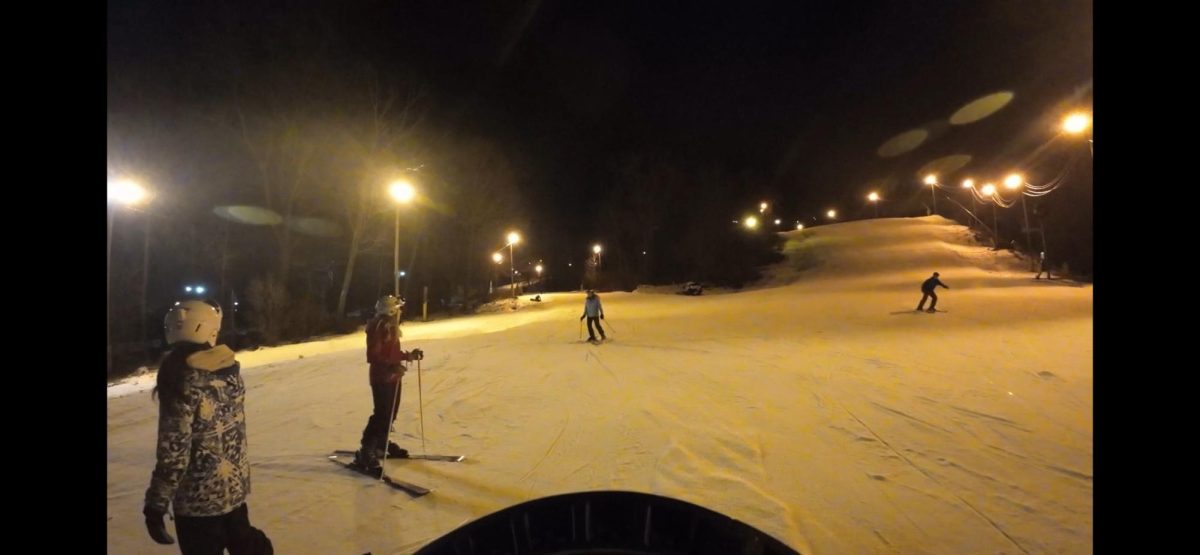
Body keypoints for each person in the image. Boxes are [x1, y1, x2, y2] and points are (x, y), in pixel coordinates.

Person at [144, 299, 273, 554]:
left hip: (198, 505)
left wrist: (156, 504)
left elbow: (174, 454)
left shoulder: (180, 380)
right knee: (246, 543)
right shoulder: (228, 369)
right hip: (233, 494)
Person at [353, 294, 424, 472]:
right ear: (390, 310)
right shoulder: (379, 327)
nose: (399, 313)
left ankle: (381, 443)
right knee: (381, 414)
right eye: (397, 309)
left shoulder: (389, 326)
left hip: (392, 376)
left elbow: (391, 352)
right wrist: (392, 367)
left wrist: (408, 356)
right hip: (381, 377)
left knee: (391, 413)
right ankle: (367, 449)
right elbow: (373, 356)